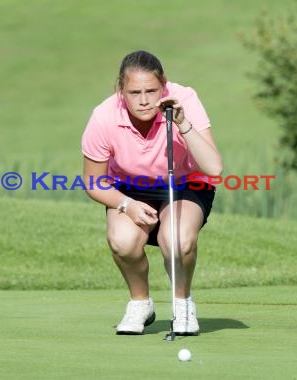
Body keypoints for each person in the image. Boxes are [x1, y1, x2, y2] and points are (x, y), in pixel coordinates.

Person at [81, 50, 223, 335]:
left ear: (164, 86)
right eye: (134, 92)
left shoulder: (185, 99)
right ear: (121, 90)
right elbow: (94, 182)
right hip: (130, 189)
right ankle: (140, 303)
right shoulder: (104, 116)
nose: (144, 100)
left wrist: (183, 123)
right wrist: (126, 205)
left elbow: (213, 168)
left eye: (151, 91)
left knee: (177, 239)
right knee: (122, 240)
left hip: (185, 184)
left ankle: (182, 305)